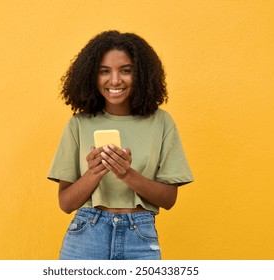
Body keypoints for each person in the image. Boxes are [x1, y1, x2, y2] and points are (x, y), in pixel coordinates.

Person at [47, 30, 193, 260]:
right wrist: (94, 173)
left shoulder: (161, 122)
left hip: (140, 237)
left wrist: (127, 174)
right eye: (104, 71)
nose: (115, 80)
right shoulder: (79, 124)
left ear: (142, 75)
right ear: (91, 76)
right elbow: (65, 203)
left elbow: (169, 200)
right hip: (86, 234)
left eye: (126, 71)